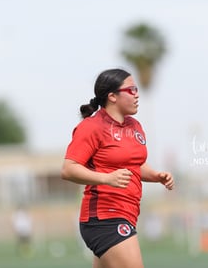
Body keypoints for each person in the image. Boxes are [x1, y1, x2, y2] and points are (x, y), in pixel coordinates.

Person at [61, 68, 174, 268]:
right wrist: (106, 178)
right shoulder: (92, 127)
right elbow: (68, 169)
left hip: (127, 214)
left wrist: (156, 175)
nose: (137, 94)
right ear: (112, 96)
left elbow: (134, 166)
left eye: (137, 89)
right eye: (131, 90)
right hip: (104, 218)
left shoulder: (135, 126)